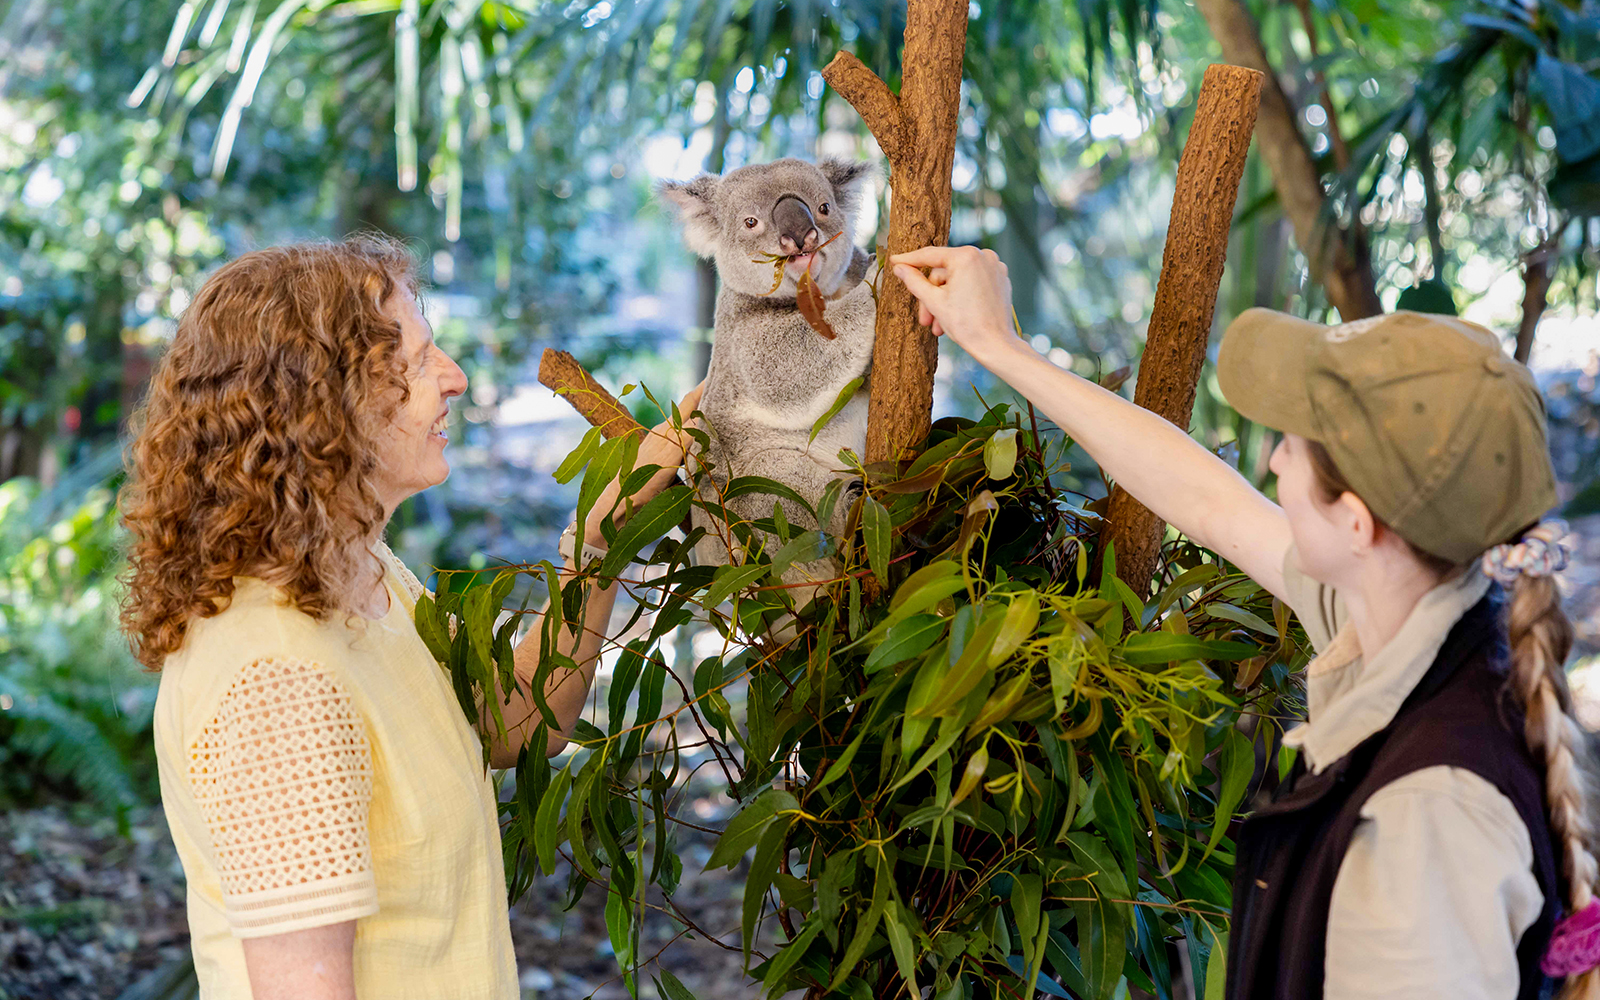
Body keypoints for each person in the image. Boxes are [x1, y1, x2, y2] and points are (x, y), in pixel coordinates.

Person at [887, 245, 1594, 1000]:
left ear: (1357, 525)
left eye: (1292, 447)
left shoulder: (1424, 830)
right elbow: (1207, 501)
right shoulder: (1417, 620)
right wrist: (999, 344)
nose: (1275, 464)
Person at [119, 236, 701, 1000]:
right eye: (419, 361)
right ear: (323, 404)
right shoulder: (278, 679)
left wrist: (596, 544)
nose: (454, 378)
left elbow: (514, 721)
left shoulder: (356, 574)